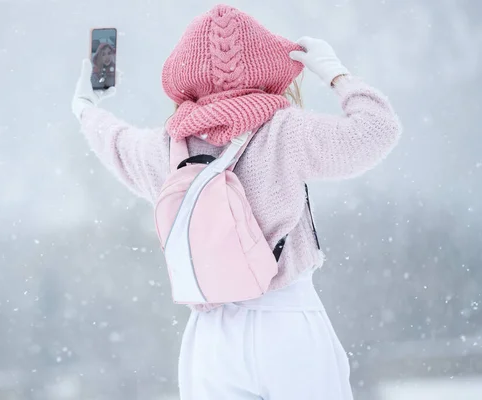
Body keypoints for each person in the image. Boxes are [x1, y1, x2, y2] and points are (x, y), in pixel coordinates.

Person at [72, 4, 400, 400]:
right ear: (270, 70)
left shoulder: (168, 147)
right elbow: (377, 131)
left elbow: (117, 143)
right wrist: (335, 73)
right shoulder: (284, 132)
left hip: (211, 339)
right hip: (288, 324)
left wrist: (86, 109)